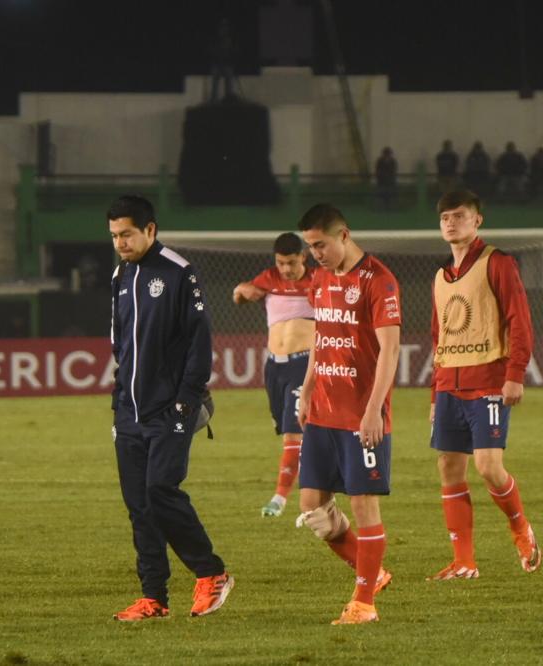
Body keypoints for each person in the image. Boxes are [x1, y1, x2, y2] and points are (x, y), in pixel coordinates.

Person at [107, 195, 233, 620]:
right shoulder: (120, 275)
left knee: (161, 490)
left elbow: (200, 345)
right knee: (139, 505)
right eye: (114, 236)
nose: (120, 243)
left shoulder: (180, 273)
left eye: (126, 234)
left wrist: (185, 401)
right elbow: (120, 344)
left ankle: (211, 572)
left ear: (150, 230)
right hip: (130, 414)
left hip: (169, 410)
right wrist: (118, 404)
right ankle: (154, 598)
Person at [295, 203, 400, 625]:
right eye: (309, 246)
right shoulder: (319, 279)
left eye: (320, 245)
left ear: (344, 235)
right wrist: (305, 389)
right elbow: (322, 333)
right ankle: (373, 570)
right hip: (322, 410)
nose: (314, 254)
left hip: (361, 415)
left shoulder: (380, 281)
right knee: (313, 509)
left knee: (363, 507)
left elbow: (391, 349)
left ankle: (364, 604)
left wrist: (374, 410)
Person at [428, 189, 541, 580]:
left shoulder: (498, 263)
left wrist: (515, 374)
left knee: (489, 467)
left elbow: (520, 321)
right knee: (449, 468)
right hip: (448, 384)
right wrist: (433, 394)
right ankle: (464, 562)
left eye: (459, 216)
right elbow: (437, 337)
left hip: (489, 381)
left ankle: (520, 528)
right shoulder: (441, 277)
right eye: (445, 217)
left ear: (477, 221)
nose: (450, 222)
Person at [232, 232, 316, 517]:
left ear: (303, 257)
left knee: (293, 434)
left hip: (303, 365)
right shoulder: (269, 279)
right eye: (281, 263)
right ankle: (318, 471)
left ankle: (280, 498)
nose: (286, 269)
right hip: (274, 366)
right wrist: (241, 293)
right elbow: (242, 294)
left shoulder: (317, 282)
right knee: (288, 431)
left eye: (291, 262)